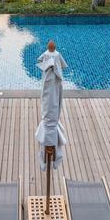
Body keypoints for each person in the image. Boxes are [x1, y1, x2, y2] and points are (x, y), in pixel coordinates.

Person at [35, 40, 68, 169]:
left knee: (48, 103)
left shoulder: (46, 57)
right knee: (52, 103)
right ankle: (54, 161)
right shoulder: (57, 58)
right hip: (53, 115)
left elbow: (39, 62)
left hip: (48, 89)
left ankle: (44, 162)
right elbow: (61, 66)